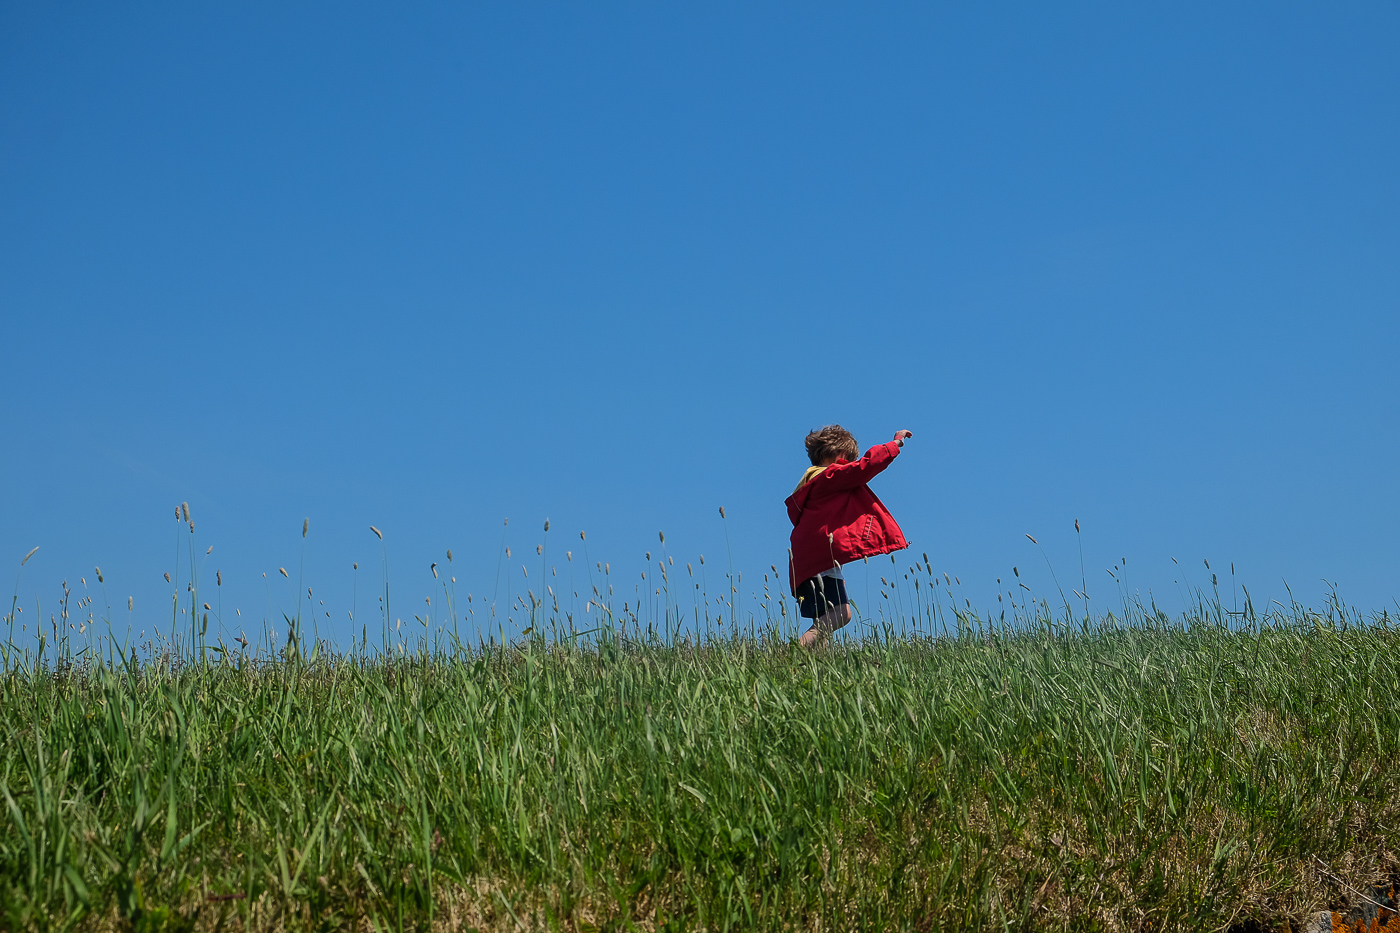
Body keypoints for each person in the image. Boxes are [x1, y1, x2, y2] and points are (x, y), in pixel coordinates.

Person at [786, 425, 913, 647]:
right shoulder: (829, 477)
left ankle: (813, 670)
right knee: (842, 614)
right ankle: (794, 651)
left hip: (805, 562)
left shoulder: (810, 484)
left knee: (822, 621)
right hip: (820, 560)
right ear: (841, 455)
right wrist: (895, 444)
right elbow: (864, 468)